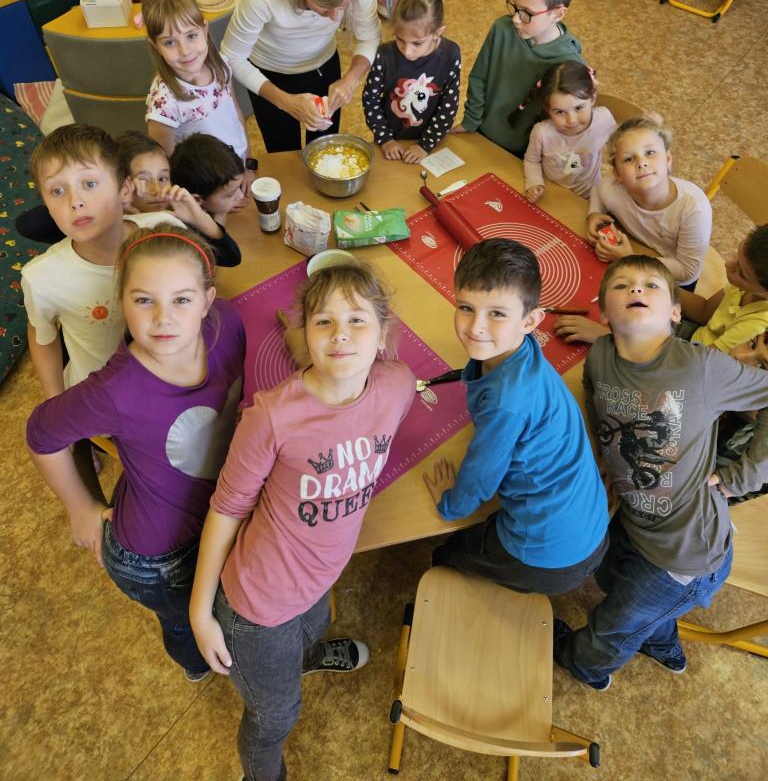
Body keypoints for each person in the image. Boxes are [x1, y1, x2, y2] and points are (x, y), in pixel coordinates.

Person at [189, 261, 415, 781]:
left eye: (357, 320)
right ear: (306, 334)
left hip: (320, 576)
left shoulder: (398, 385)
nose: (340, 335)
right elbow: (226, 509)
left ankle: (304, 657)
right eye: (324, 322)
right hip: (258, 605)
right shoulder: (271, 417)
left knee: (314, 628)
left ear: (383, 334)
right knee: (275, 716)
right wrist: (200, 614)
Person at [27, 227, 246, 682]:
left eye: (182, 299)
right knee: (183, 621)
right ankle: (194, 667)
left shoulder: (229, 324)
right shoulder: (116, 391)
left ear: (208, 300)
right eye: (144, 300)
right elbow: (41, 434)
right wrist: (81, 510)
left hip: (212, 515)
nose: (163, 318)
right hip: (156, 560)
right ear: (122, 302)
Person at [554, 255, 768, 690]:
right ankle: (663, 643)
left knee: (611, 628)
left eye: (651, 285)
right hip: (633, 517)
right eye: (622, 286)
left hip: (684, 555)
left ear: (675, 312)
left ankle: (587, 667)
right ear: (603, 311)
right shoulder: (600, 355)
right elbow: (593, 392)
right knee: (612, 580)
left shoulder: (702, 367)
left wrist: (742, 477)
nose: (636, 289)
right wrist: (603, 451)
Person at [423, 239, 609, 595]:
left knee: (447, 553)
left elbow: (480, 479)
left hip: (547, 557)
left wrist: (450, 502)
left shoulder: (505, 402)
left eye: (497, 314)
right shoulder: (522, 352)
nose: (476, 327)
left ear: (530, 320)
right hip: (589, 523)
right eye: (466, 307)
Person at [20, 125, 185, 400]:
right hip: (99, 398)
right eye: (57, 191)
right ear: (47, 206)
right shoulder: (41, 278)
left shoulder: (168, 231)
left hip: (174, 381)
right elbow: (41, 332)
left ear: (125, 190)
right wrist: (55, 401)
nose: (75, 202)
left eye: (89, 184)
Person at [220, 0, 381, 153]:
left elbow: (370, 38)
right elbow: (231, 58)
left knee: (325, 148)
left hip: (323, 67)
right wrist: (286, 102)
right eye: (325, 7)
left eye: (342, 7)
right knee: (283, 151)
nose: (335, 18)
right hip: (270, 74)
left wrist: (351, 79)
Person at [17, 130, 241, 268]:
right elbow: (28, 224)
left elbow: (231, 258)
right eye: (142, 180)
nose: (156, 189)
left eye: (163, 178)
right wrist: (114, 205)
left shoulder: (173, 219)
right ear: (124, 185)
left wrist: (199, 218)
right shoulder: (95, 221)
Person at [452, 0, 585, 157]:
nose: (515, 19)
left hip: (524, 156)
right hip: (481, 134)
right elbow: (479, 78)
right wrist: (470, 121)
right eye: (515, 6)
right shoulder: (501, 29)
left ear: (557, 13)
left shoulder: (570, 64)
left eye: (526, 13)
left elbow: (562, 126)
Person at [557, 224, 768, 349]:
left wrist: (607, 337)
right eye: (736, 254)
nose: (728, 264)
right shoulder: (746, 284)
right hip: (692, 337)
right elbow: (705, 312)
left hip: (690, 361)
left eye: (741, 272)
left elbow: (696, 367)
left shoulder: (756, 329)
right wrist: (654, 281)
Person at [584, 117, 711, 289]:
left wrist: (630, 258)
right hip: (634, 251)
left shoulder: (693, 208)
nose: (641, 163)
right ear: (617, 174)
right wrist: (594, 213)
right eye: (629, 159)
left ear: (668, 159)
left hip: (670, 279)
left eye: (650, 153)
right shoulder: (614, 189)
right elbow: (598, 189)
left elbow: (687, 271)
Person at [142, 0, 255, 176]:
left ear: (205, 29)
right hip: (207, 185)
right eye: (170, 42)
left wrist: (249, 165)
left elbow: (236, 114)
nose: (185, 51)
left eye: (191, 36)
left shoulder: (221, 66)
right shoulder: (163, 103)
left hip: (239, 168)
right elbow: (166, 166)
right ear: (155, 46)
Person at [362, 0, 460, 163]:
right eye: (400, 40)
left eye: (417, 43)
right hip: (390, 141)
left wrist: (425, 144)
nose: (407, 51)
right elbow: (370, 100)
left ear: (438, 33)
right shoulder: (384, 54)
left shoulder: (451, 54)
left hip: (430, 144)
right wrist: (385, 139)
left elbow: (448, 107)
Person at [523, 61, 615, 202]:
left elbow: (620, 148)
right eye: (560, 112)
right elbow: (531, 160)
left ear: (592, 98)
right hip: (553, 195)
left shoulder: (604, 119)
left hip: (592, 197)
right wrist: (534, 182)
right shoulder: (541, 133)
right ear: (547, 109)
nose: (571, 120)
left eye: (578, 108)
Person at [169, 132, 248, 229]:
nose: (241, 196)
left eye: (238, 188)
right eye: (230, 195)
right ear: (197, 199)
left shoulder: (214, 210)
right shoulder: (192, 231)